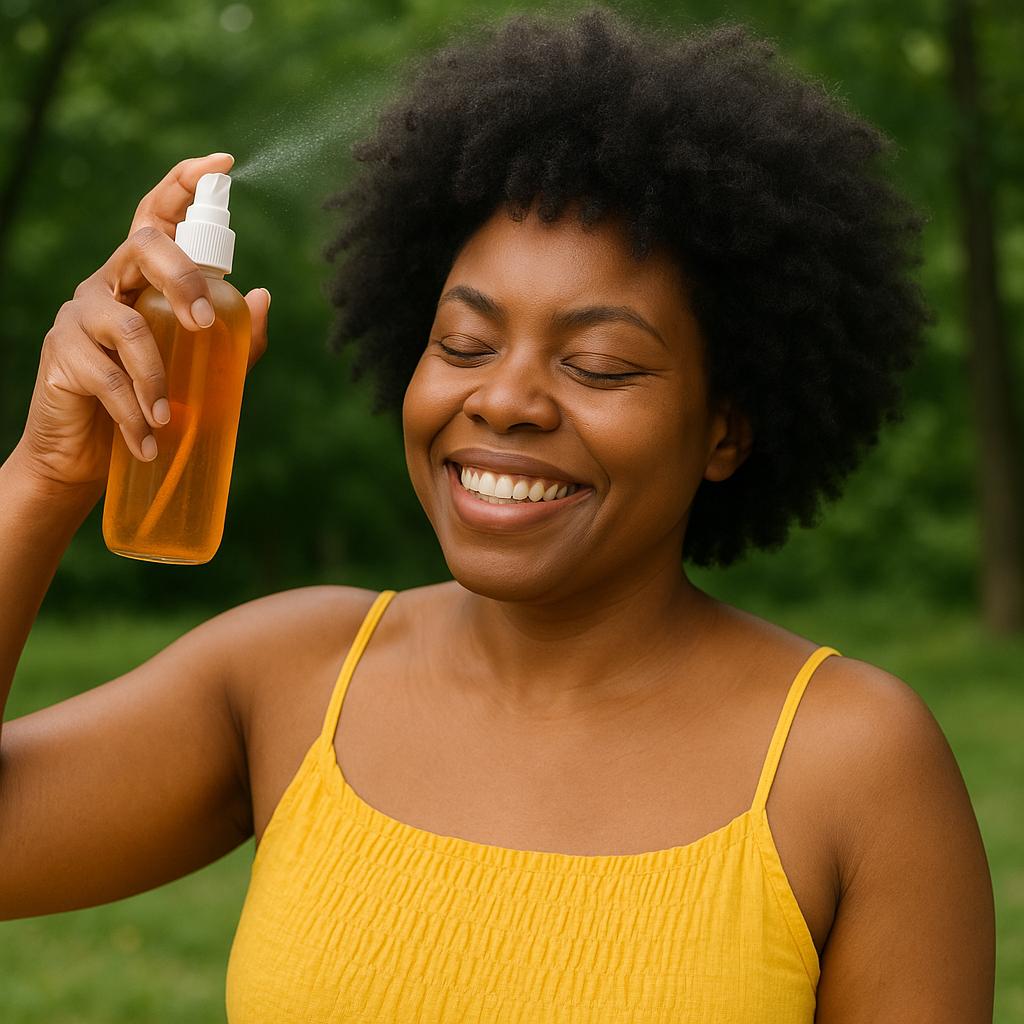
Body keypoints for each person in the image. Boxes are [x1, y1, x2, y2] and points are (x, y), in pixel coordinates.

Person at [0, 5, 995, 1021]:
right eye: (465, 346)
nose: (505, 399)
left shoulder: (853, 762)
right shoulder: (289, 680)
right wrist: (42, 478)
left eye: (598, 364)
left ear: (725, 430)